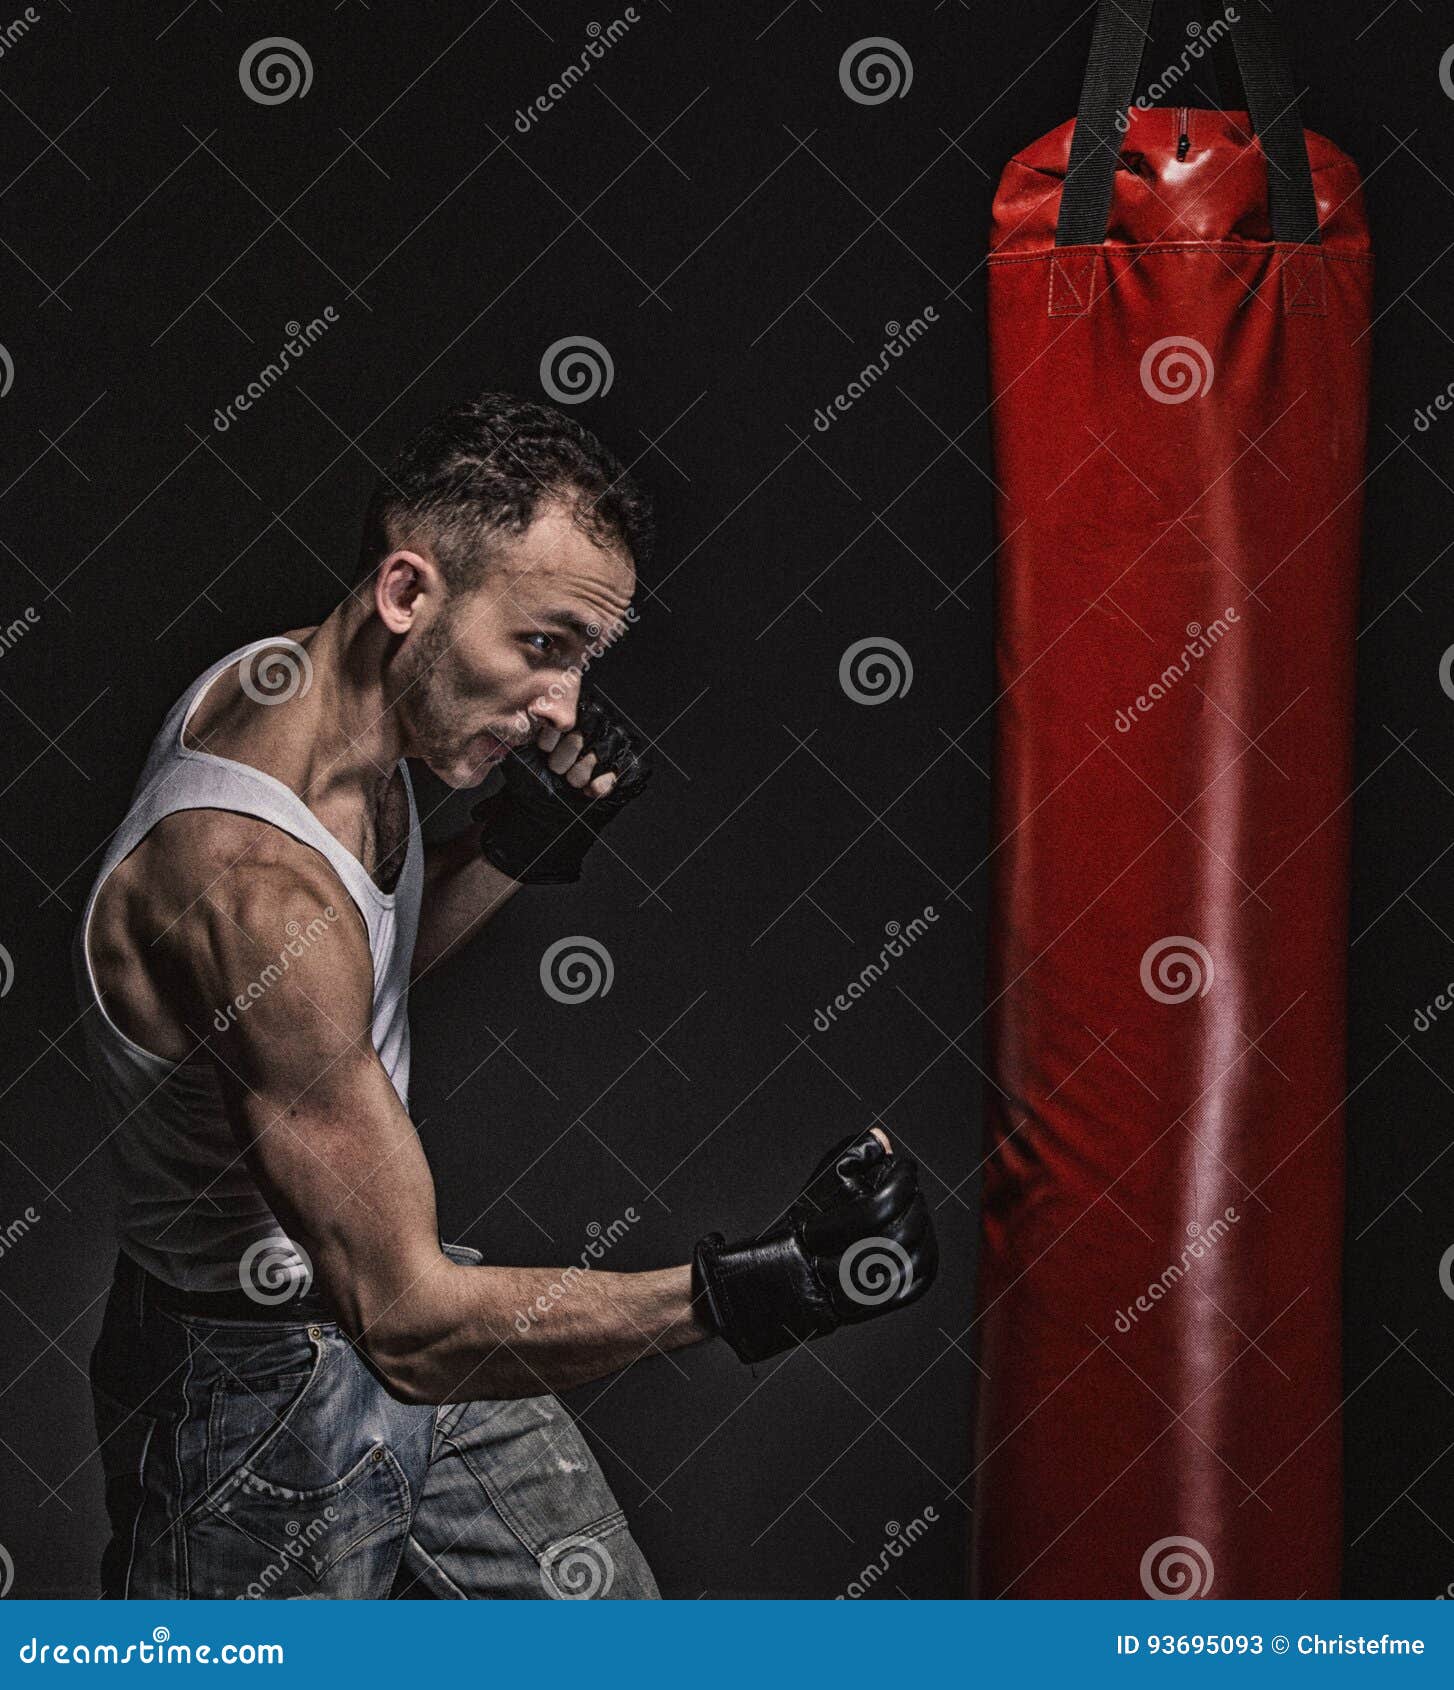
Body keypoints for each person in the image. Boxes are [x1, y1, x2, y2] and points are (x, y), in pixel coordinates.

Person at [73, 392, 937, 1600]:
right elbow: (412, 1317)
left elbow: (323, 998)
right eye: (543, 647)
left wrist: (508, 854)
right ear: (408, 593)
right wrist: (754, 1288)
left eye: (583, 659)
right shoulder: (245, 885)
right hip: (261, 1389)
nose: (563, 709)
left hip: (386, 1308)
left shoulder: (320, 707)